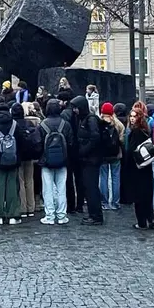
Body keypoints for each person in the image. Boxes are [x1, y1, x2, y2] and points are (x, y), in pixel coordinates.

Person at [38, 98, 73, 225]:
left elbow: (38, 143)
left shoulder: (42, 124)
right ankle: (62, 215)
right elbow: (70, 142)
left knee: (47, 189)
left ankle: (50, 215)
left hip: (46, 161)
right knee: (61, 188)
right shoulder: (65, 124)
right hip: (63, 161)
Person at [70, 96, 104, 225]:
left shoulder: (90, 120)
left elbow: (95, 137)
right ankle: (93, 213)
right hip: (88, 159)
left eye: (76, 108)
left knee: (91, 188)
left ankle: (95, 216)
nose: (75, 111)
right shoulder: (84, 119)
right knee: (89, 187)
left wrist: (83, 150)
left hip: (91, 159)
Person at [124, 106, 154, 229]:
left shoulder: (135, 132)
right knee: (146, 195)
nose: (132, 119)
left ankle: (142, 222)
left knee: (138, 196)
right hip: (146, 167)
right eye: (131, 116)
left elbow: (131, 151)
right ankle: (150, 217)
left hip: (137, 168)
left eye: (134, 116)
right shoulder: (145, 131)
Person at [98, 101, 124, 212]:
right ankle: (115, 202)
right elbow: (122, 140)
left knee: (103, 178)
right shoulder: (118, 124)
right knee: (115, 178)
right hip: (116, 155)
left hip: (103, 155)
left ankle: (104, 202)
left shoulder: (98, 123)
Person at [18, 102, 40, 217]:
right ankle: (31, 207)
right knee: (29, 180)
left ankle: (23, 208)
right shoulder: (30, 123)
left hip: (19, 156)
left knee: (21, 181)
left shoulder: (15, 124)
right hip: (30, 156)